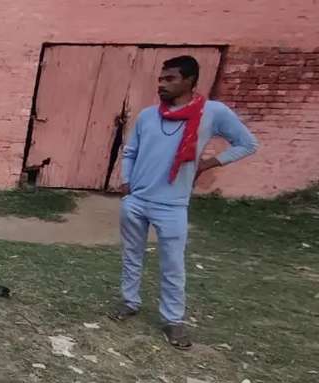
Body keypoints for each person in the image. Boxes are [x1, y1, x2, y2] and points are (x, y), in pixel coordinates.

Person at [108, 56, 259, 350]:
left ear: (190, 81)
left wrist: (209, 163)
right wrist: (126, 183)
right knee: (131, 255)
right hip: (137, 199)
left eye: (170, 79)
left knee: (173, 265)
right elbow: (130, 151)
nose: (162, 85)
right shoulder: (148, 116)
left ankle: (173, 320)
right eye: (161, 80)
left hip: (172, 205)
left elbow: (247, 143)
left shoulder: (212, 113)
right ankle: (129, 301)